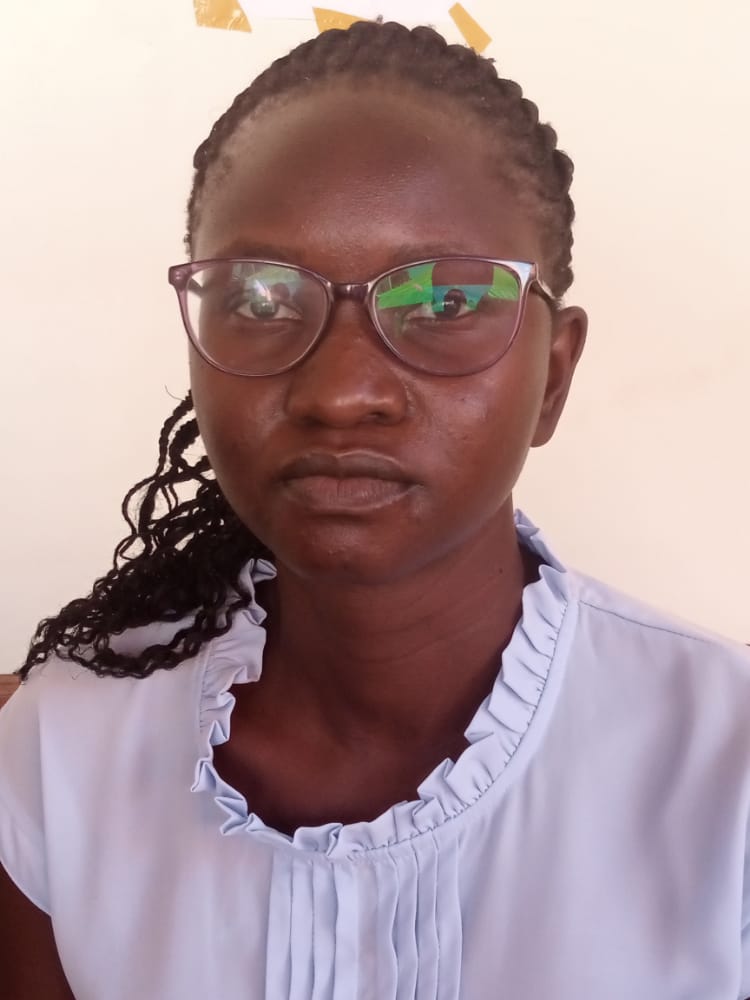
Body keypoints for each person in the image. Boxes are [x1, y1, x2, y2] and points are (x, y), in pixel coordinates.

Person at [0, 18, 748, 1000]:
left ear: (553, 378)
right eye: (261, 297)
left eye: (445, 302)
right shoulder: (58, 755)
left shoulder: (728, 774)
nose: (341, 391)